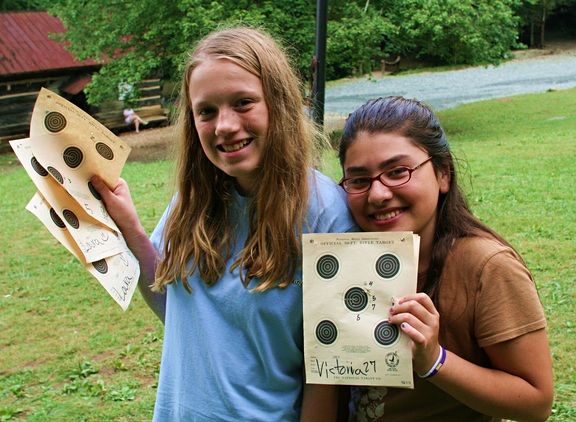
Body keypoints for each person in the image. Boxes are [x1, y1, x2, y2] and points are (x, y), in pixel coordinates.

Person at [91, 26, 355, 421]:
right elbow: (178, 309)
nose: (224, 126)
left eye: (243, 102)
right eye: (206, 111)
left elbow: (329, 373)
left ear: (280, 104)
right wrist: (130, 229)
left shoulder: (326, 215)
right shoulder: (193, 199)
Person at [336, 96, 554, 421]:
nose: (378, 194)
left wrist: (434, 361)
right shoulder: (344, 260)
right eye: (359, 180)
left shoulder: (487, 266)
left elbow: (536, 401)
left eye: (397, 172)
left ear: (443, 174)